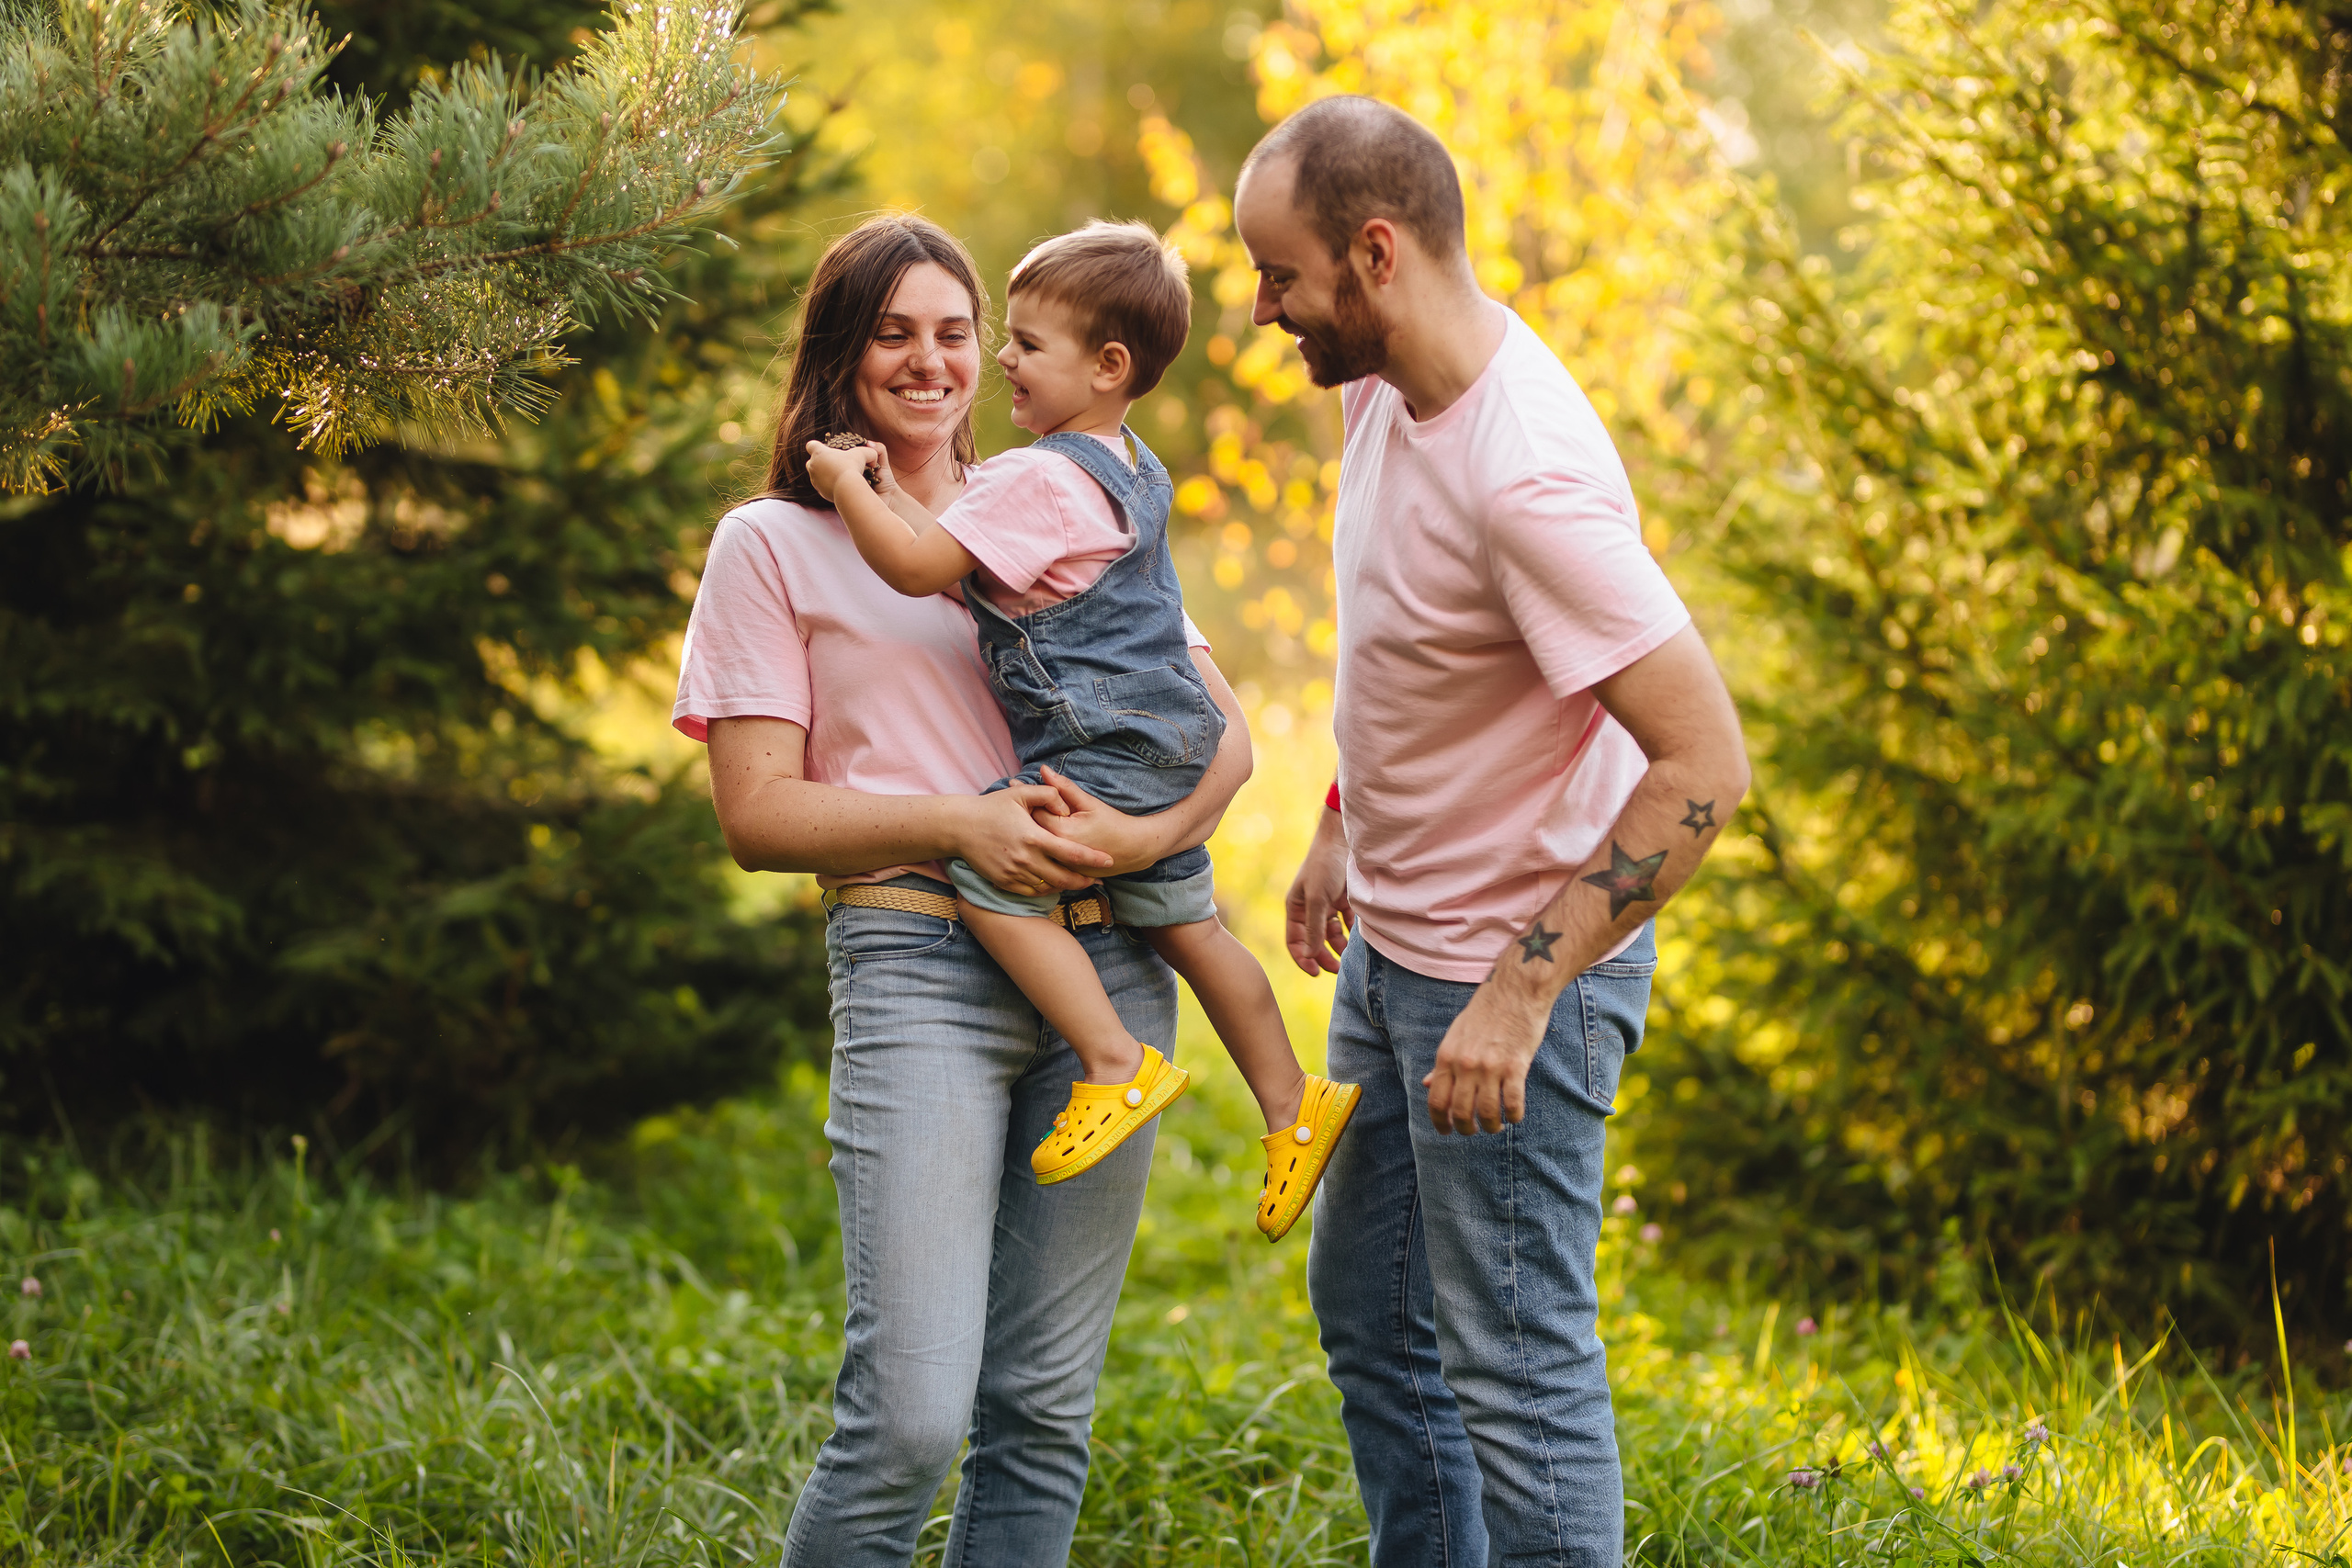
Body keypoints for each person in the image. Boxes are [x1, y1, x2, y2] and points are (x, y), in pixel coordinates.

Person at [673, 214, 1248, 1568]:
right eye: (894, 332)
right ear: (842, 350)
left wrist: (1139, 836)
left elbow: (1225, 730)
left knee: (1042, 1410)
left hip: (1108, 966)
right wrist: (961, 825)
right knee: (911, 1415)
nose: (930, 362)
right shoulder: (773, 543)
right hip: (917, 955)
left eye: (953, 331)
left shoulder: (1055, 500)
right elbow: (759, 813)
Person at [1238, 98, 1752, 1567]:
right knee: (1374, 1328)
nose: (1264, 307)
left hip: (1511, 994)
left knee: (1516, 1381)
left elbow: (1704, 764)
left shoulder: (1531, 480)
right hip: (1395, 954)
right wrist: (1344, 814)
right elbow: (1405, 636)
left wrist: (1522, 994)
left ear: (1376, 254)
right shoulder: (1385, 383)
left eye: (1281, 275)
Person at [801, 220, 1357, 1240]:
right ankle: (1292, 1103)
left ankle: (1112, 1061)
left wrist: (846, 486)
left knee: (987, 879)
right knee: (1191, 928)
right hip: (1172, 735)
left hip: (1101, 749)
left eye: (1024, 342)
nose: (1001, 359)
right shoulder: (1130, 466)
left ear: (1107, 366)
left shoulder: (1031, 478)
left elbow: (924, 566)